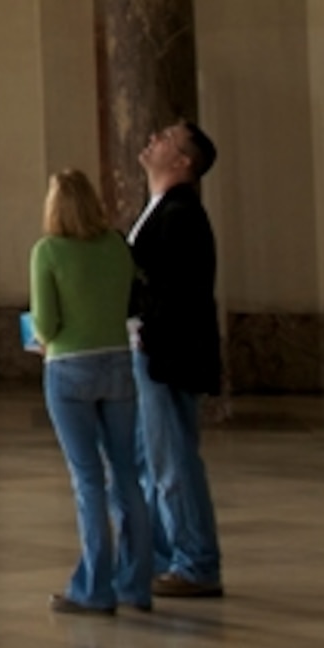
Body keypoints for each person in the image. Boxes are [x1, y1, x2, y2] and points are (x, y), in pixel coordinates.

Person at [31, 169, 154, 617]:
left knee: (87, 479)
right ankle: (136, 585)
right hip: (117, 361)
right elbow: (129, 299)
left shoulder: (48, 251)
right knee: (126, 474)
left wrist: (41, 337)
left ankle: (94, 588)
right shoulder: (116, 246)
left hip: (69, 367)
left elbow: (46, 324)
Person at [129, 118, 225, 598]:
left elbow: (175, 291)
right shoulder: (161, 209)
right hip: (153, 350)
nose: (154, 139)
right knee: (153, 461)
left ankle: (196, 563)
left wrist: (141, 323)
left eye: (167, 137)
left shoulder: (181, 213)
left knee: (172, 462)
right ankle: (165, 556)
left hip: (165, 353)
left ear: (184, 161)